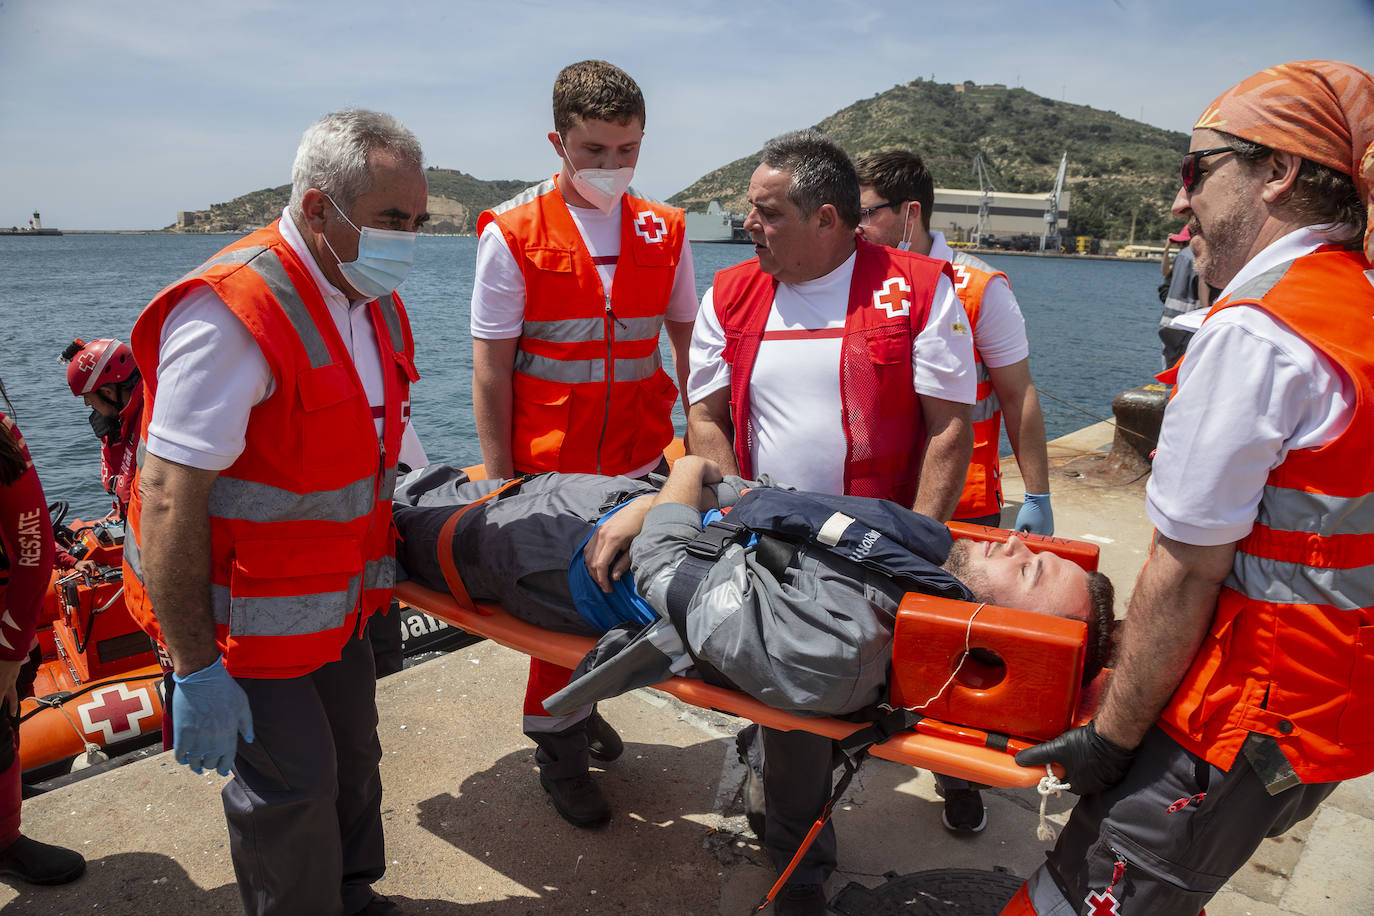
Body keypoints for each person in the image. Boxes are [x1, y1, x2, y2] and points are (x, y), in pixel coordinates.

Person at [1007, 60, 1374, 915]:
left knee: (1077, 896)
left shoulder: (1260, 332)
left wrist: (1110, 736)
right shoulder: (1352, 304)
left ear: (1278, 171)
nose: (1180, 202)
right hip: (1328, 705)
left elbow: (1185, 568)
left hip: (1249, 712)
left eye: (1197, 169)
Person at [122, 109, 429, 916]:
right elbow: (167, 494)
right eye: (394, 220)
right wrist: (195, 668)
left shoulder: (371, 297)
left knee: (356, 763)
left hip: (339, 608)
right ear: (319, 207)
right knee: (293, 795)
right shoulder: (234, 310)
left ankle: (353, 897)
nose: (410, 240)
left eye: (419, 221)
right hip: (246, 628)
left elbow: (385, 445)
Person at [686, 130, 975, 909]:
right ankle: (802, 867)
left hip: (879, 546)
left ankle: (955, 784)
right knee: (794, 711)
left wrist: (914, 544)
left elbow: (950, 425)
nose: (750, 224)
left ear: (826, 218)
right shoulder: (729, 294)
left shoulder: (917, 287)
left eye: (767, 211)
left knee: (902, 690)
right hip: (772, 541)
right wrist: (735, 506)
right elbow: (705, 413)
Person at [390, 456, 1114, 722]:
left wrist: (686, 473)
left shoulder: (837, 651)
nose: (1013, 540)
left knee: (385, 523)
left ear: (993, 633)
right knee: (431, 483)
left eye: (1026, 569)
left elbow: (665, 567)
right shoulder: (909, 577)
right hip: (613, 505)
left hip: (565, 558)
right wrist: (672, 491)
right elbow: (772, 509)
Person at [469, 59, 698, 828]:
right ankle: (558, 751)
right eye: (595, 149)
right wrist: (500, 487)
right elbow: (492, 373)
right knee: (552, 622)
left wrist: (700, 452)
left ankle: (584, 704)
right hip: (550, 471)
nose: (612, 166)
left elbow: (688, 351)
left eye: (627, 149)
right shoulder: (512, 233)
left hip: (639, 458)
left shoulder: (664, 229)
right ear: (557, 141)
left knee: (627, 605)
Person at [853, 148, 1055, 831]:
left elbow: (1017, 392)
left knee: (958, 648)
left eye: (865, 214)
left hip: (964, 509)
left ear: (909, 214)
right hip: (880, 498)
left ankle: (959, 775)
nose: (853, 229)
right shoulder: (859, 280)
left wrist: (1040, 492)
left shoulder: (977, 287)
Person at [0, 383, 86, 885]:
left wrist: (9, 652)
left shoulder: (1, 436)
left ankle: (6, 841)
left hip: (2, 632)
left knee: (3, 728)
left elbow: (34, 547)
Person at [58, 337, 144, 520]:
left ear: (108, 392)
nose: (87, 403)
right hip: (133, 523)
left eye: (88, 398)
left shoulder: (152, 418)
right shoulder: (118, 421)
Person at [1156, 227, 1214, 369]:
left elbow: (1166, 275)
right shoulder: (1197, 257)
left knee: (1171, 370)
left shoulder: (1183, 257)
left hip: (1172, 323)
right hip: (1190, 323)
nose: (1181, 247)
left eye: (1182, 244)